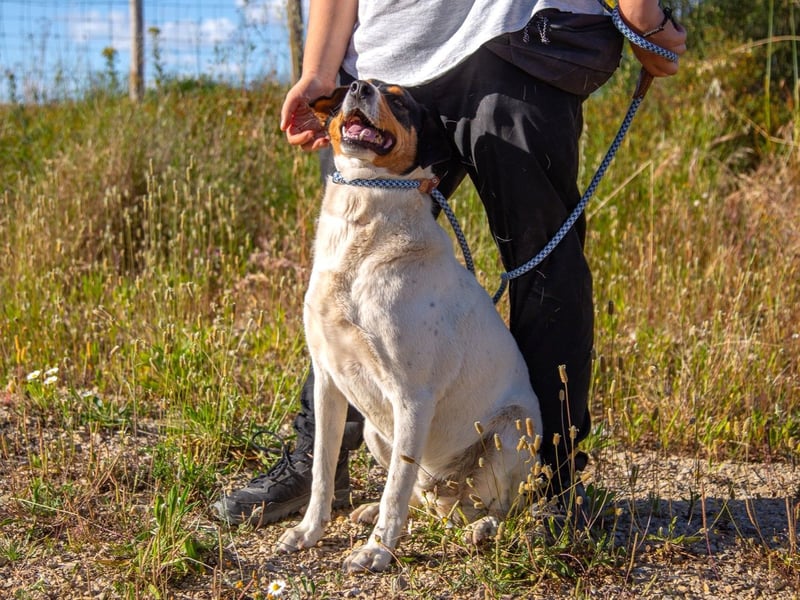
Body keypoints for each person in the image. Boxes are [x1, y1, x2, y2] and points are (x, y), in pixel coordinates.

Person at [214, 0, 686, 527]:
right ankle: (317, 463)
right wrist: (321, 72)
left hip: (514, 36)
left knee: (544, 261)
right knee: (350, 271)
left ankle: (546, 480)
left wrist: (641, 15)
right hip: (389, 60)